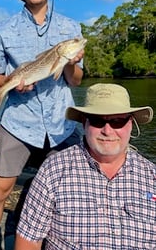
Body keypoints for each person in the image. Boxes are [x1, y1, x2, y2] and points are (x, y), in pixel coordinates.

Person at [0, 0, 85, 243]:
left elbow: (75, 80)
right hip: (18, 121)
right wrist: (9, 83)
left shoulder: (70, 28)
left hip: (60, 123)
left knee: (66, 193)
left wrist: (68, 61)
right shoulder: (3, 29)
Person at [14, 83, 156, 250]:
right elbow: (29, 240)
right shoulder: (53, 170)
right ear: (84, 122)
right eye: (97, 121)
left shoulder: (151, 176)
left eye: (117, 121)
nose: (107, 131)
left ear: (130, 123)